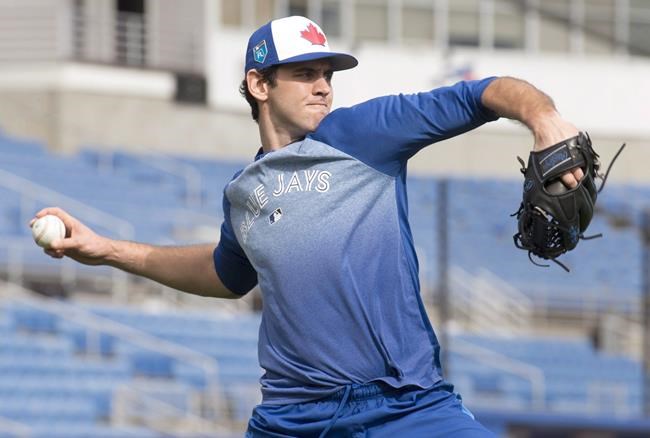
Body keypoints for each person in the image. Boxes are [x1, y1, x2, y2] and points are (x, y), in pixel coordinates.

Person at [33, 16, 584, 437]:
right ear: (259, 84)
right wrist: (105, 250)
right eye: (304, 74)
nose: (323, 86)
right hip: (292, 418)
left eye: (327, 74)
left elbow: (481, 92)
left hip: (404, 406)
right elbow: (225, 275)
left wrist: (542, 117)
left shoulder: (364, 133)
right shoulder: (243, 191)